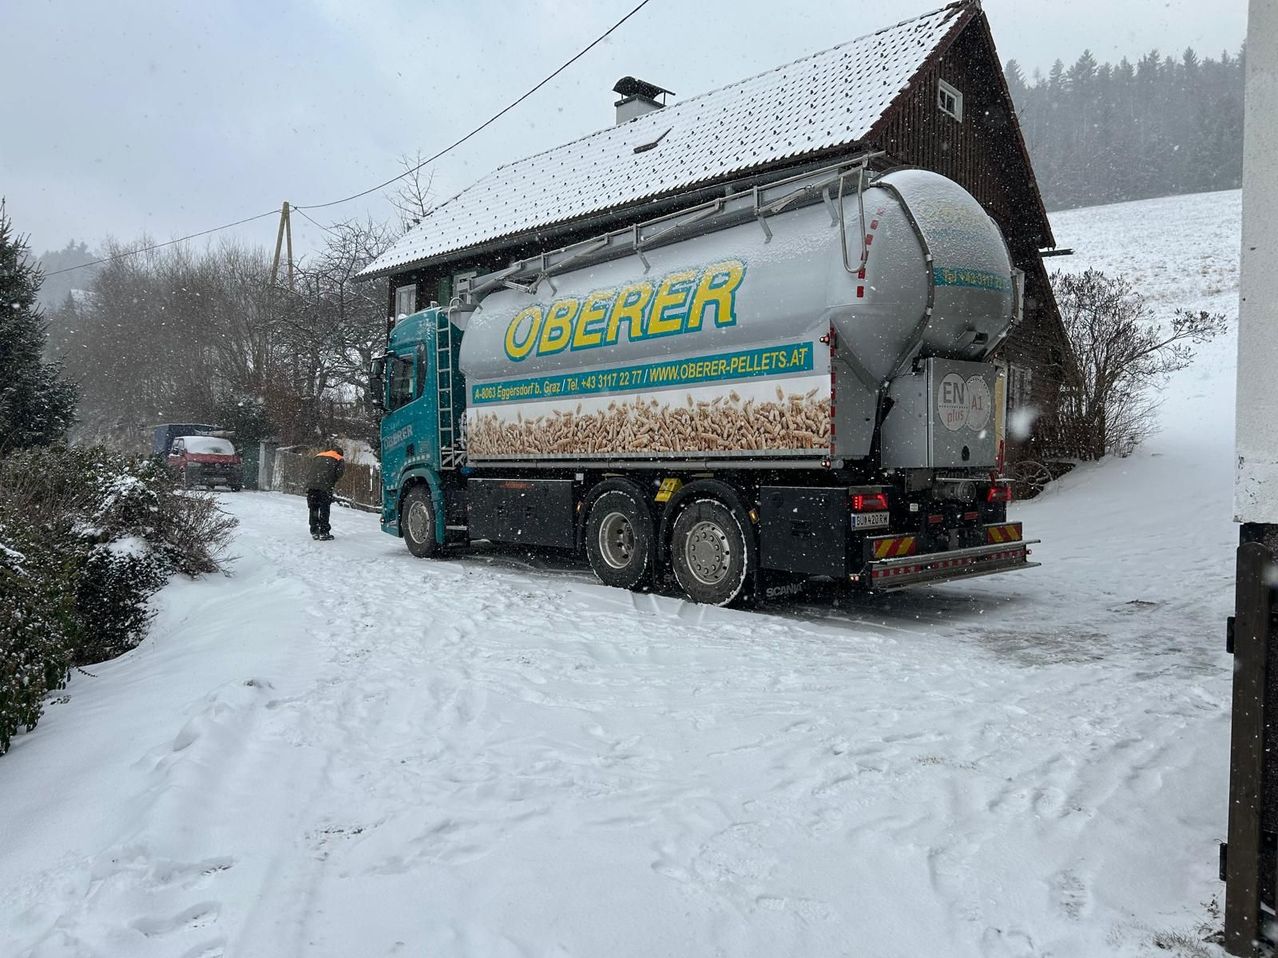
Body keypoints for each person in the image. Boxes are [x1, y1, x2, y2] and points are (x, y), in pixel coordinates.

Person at [305, 445, 345, 540]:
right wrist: (332, 481)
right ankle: (324, 532)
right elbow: (339, 473)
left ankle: (314, 531)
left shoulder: (318, 455)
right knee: (324, 509)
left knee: (313, 508)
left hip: (311, 486)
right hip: (325, 487)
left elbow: (311, 470)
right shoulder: (339, 458)